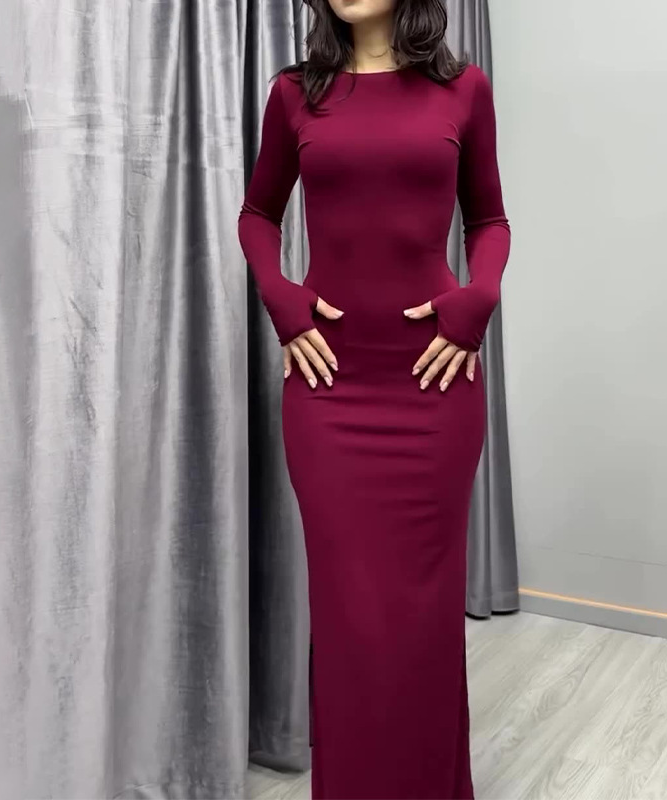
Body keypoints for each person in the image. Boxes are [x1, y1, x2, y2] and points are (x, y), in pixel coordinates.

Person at [238, 0, 510, 796]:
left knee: (424, 619)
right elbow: (258, 215)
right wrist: (282, 300)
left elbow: (490, 220)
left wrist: (477, 300)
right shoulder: (295, 94)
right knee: (350, 617)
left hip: (434, 385)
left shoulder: (464, 90)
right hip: (329, 389)